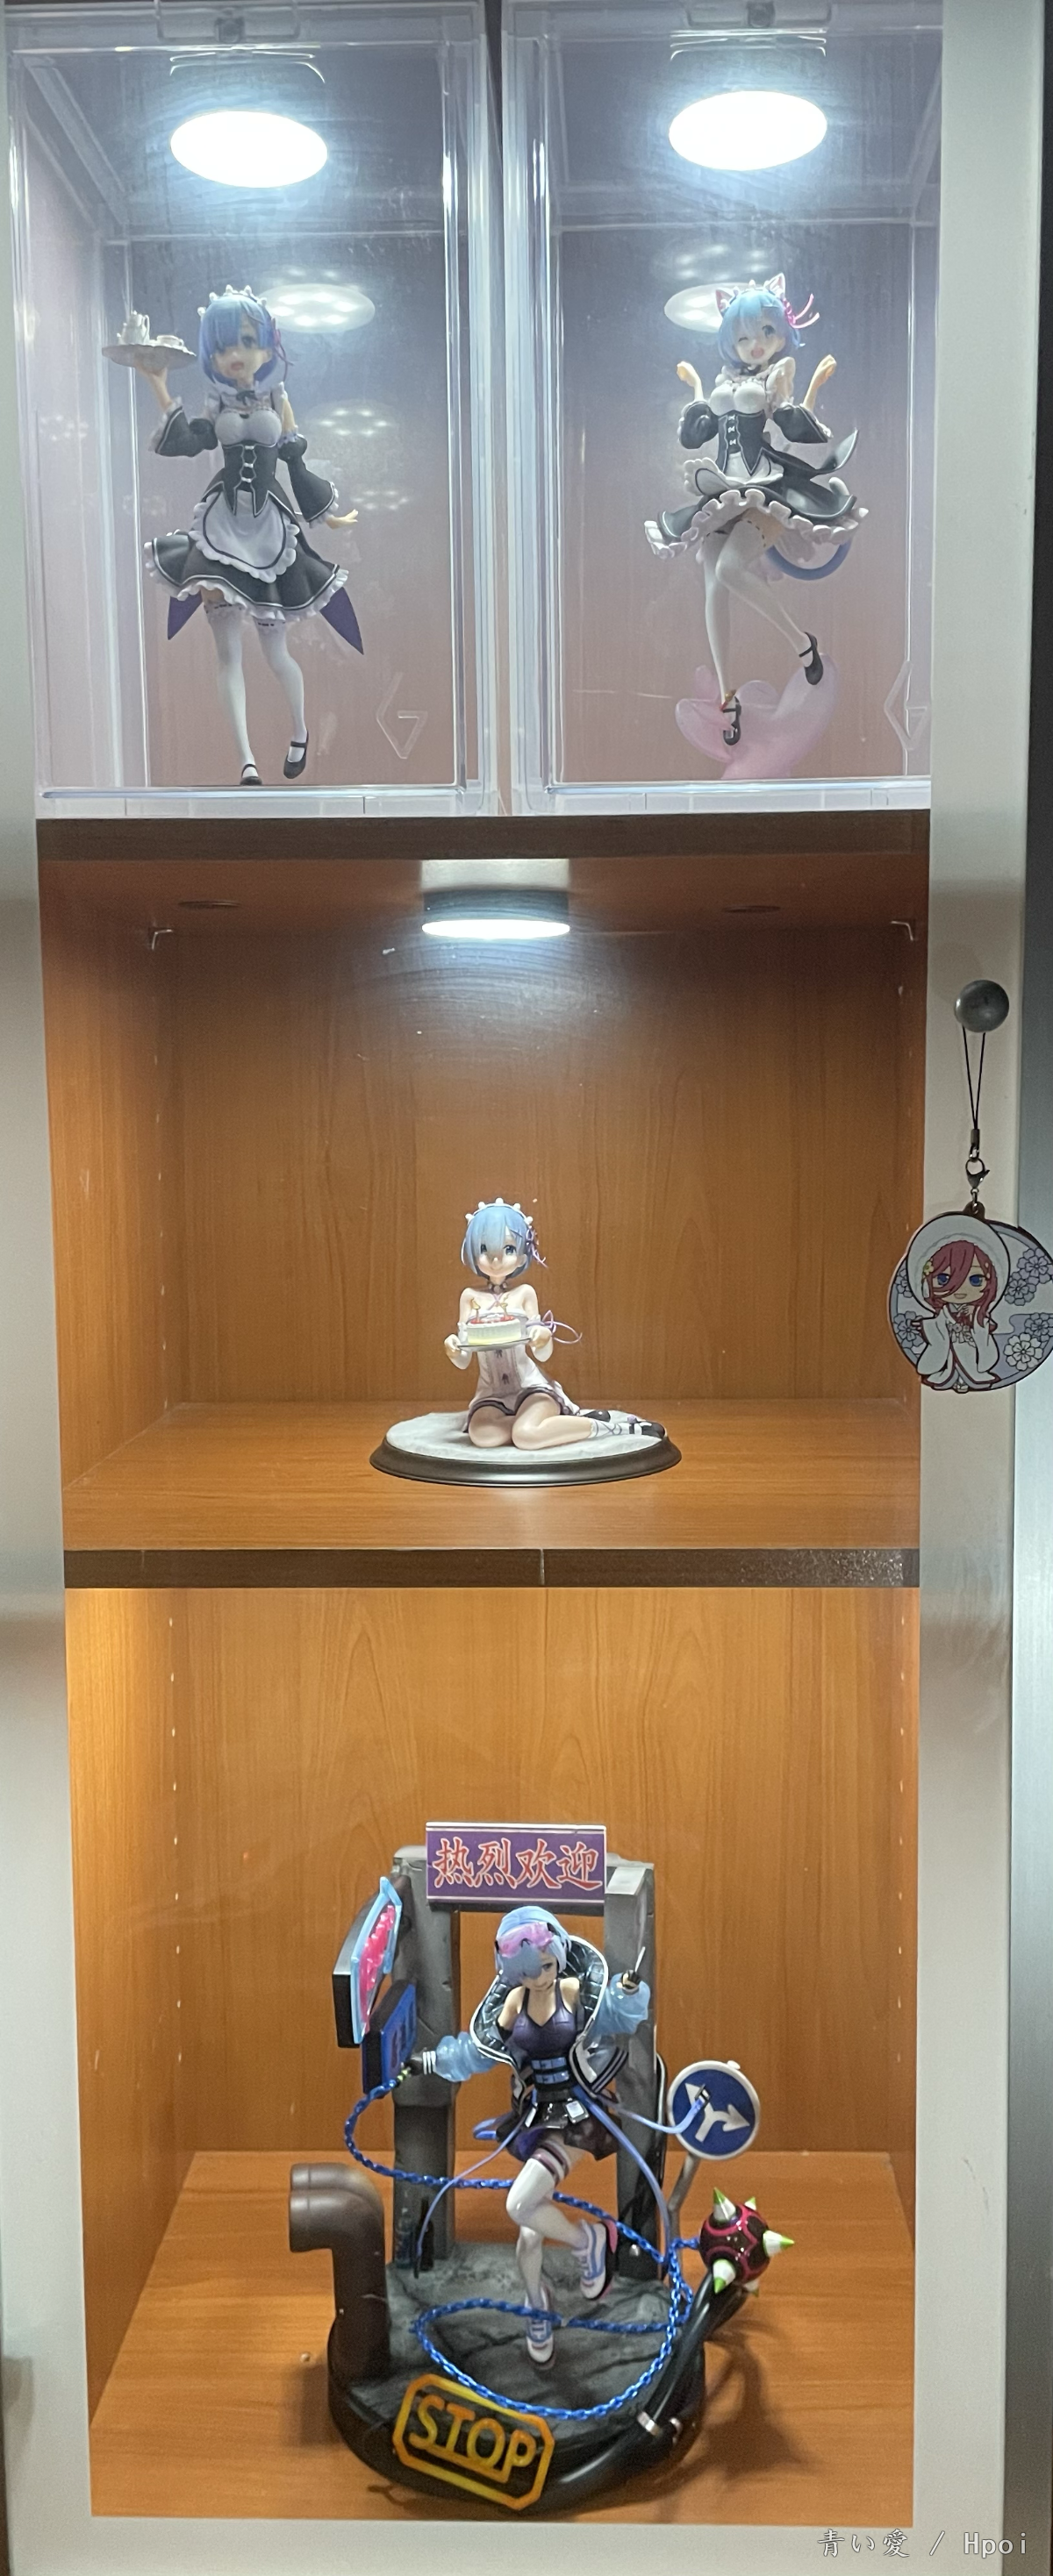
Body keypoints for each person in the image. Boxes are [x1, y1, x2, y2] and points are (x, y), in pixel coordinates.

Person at [133, 287, 362, 782]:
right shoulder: (216, 402)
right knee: (227, 654)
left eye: (245, 341)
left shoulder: (277, 398)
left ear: (266, 345)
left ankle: (299, 731)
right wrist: (158, 385)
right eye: (222, 347)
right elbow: (190, 440)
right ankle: (247, 761)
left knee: (276, 653)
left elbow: (294, 459)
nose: (234, 354)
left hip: (268, 532)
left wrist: (326, 515)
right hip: (221, 529)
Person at [415, 1907, 649, 2365]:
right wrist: (431, 2061)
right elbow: (478, 2051)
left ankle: (588, 2241)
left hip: (577, 2117)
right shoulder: (513, 2003)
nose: (539, 1978)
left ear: (557, 1954)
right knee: (527, 2237)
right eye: (527, 1971)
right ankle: (537, 2303)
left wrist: (629, 1992)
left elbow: (618, 2017)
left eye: (545, 1965)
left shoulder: (574, 1992)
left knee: (519, 2204)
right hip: (536, 2118)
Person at [644, 275, 863, 746]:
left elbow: (793, 424)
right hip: (721, 487)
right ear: (731, 342)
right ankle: (728, 698)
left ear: (782, 333)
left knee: (728, 569)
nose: (756, 344)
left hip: (764, 487)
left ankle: (802, 644)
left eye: (766, 332)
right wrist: (696, 385)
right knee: (712, 585)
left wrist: (813, 388)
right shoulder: (725, 381)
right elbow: (699, 433)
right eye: (744, 337)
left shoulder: (776, 374)